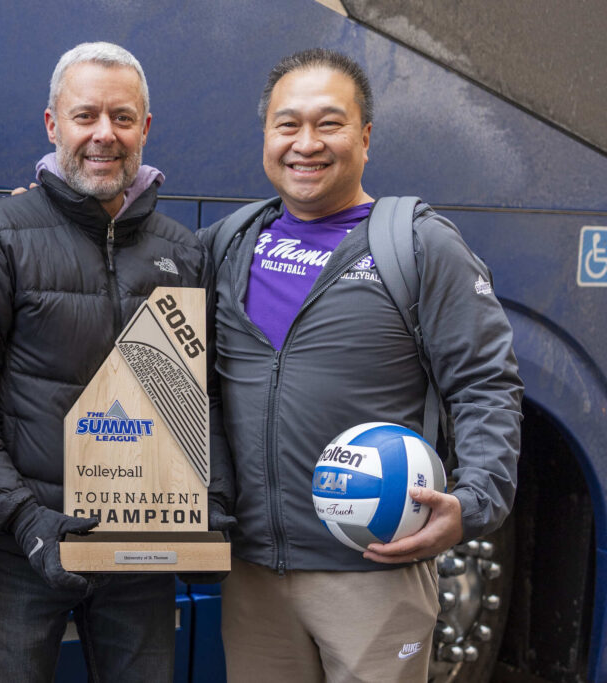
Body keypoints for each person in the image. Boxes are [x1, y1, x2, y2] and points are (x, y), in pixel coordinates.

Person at [198, 49, 524, 682]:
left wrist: (476, 499)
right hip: (254, 573)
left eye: (330, 123)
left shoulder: (418, 244)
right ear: (266, 136)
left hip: (372, 571)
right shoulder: (230, 242)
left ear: (365, 137)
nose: (306, 144)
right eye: (287, 125)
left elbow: (485, 382)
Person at [0, 42, 225, 682]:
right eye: (85, 115)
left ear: (144, 128)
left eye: (122, 118)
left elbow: (200, 398)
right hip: (19, 552)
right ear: (52, 124)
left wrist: (210, 509)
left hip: (140, 551)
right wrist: (24, 518)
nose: (103, 134)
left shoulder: (185, 251)